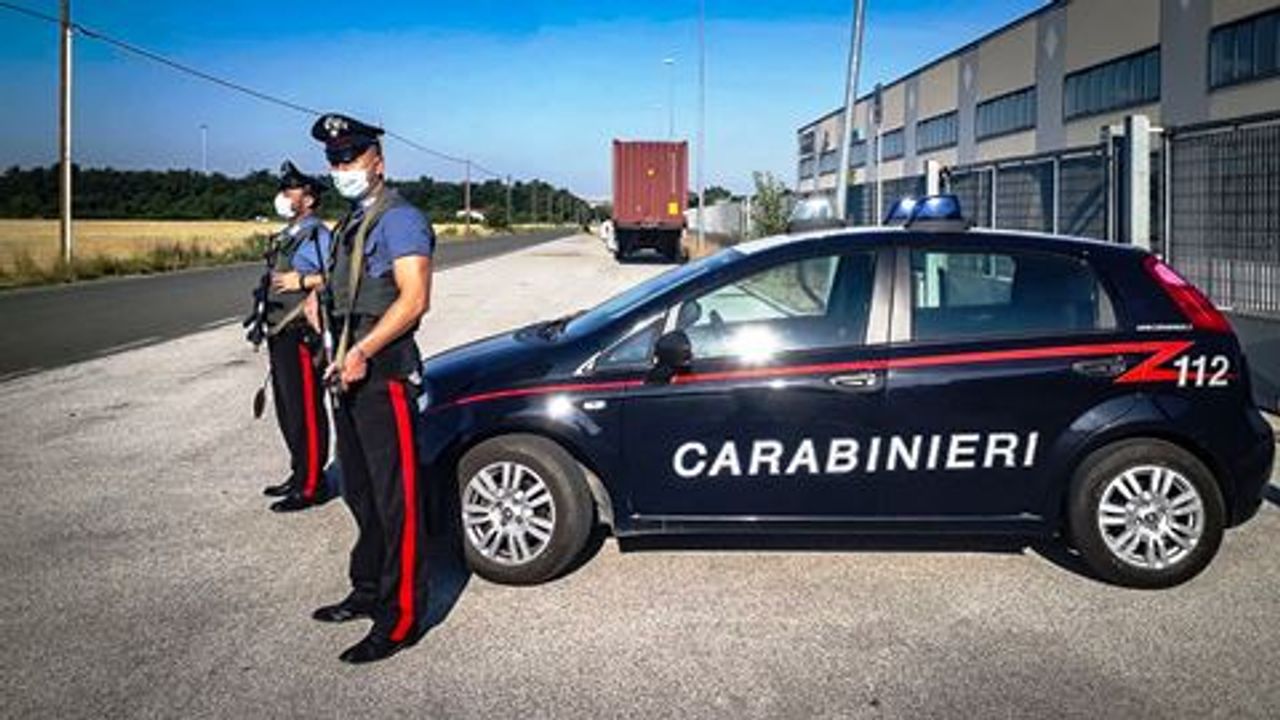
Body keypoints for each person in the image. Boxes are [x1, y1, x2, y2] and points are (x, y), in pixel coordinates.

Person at [308, 113, 435, 664]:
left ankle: (401, 615)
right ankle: (368, 590)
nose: (342, 168)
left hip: (382, 373)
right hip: (348, 370)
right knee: (360, 491)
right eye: (334, 160)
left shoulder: (400, 219)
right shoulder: (352, 222)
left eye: (351, 158)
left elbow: (414, 299)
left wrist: (362, 351)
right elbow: (349, 290)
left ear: (377, 162)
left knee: (394, 499)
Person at [259, 161, 333, 513]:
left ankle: (312, 484)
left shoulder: (317, 235)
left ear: (310, 198)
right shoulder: (290, 233)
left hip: (301, 334)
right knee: (288, 410)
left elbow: (335, 276)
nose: (284, 195)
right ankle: (298, 471)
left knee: (305, 410)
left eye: (291, 189)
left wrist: (301, 283)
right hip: (280, 331)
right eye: (284, 188)